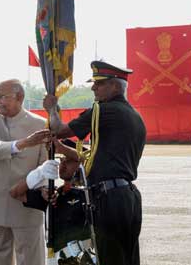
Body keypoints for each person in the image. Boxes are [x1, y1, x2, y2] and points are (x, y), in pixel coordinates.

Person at [43, 61, 147, 265]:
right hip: (126, 197)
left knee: (110, 259)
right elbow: (95, 158)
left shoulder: (105, 110)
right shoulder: (133, 116)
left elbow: (60, 129)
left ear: (115, 87)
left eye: (99, 84)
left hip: (109, 198)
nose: (93, 88)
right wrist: (64, 149)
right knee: (127, 259)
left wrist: (51, 109)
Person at [0, 79, 55, 265]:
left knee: (30, 257)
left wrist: (42, 188)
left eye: (3, 97)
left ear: (19, 98)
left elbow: (45, 163)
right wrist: (24, 143)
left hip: (26, 200)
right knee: (0, 254)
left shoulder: (41, 124)